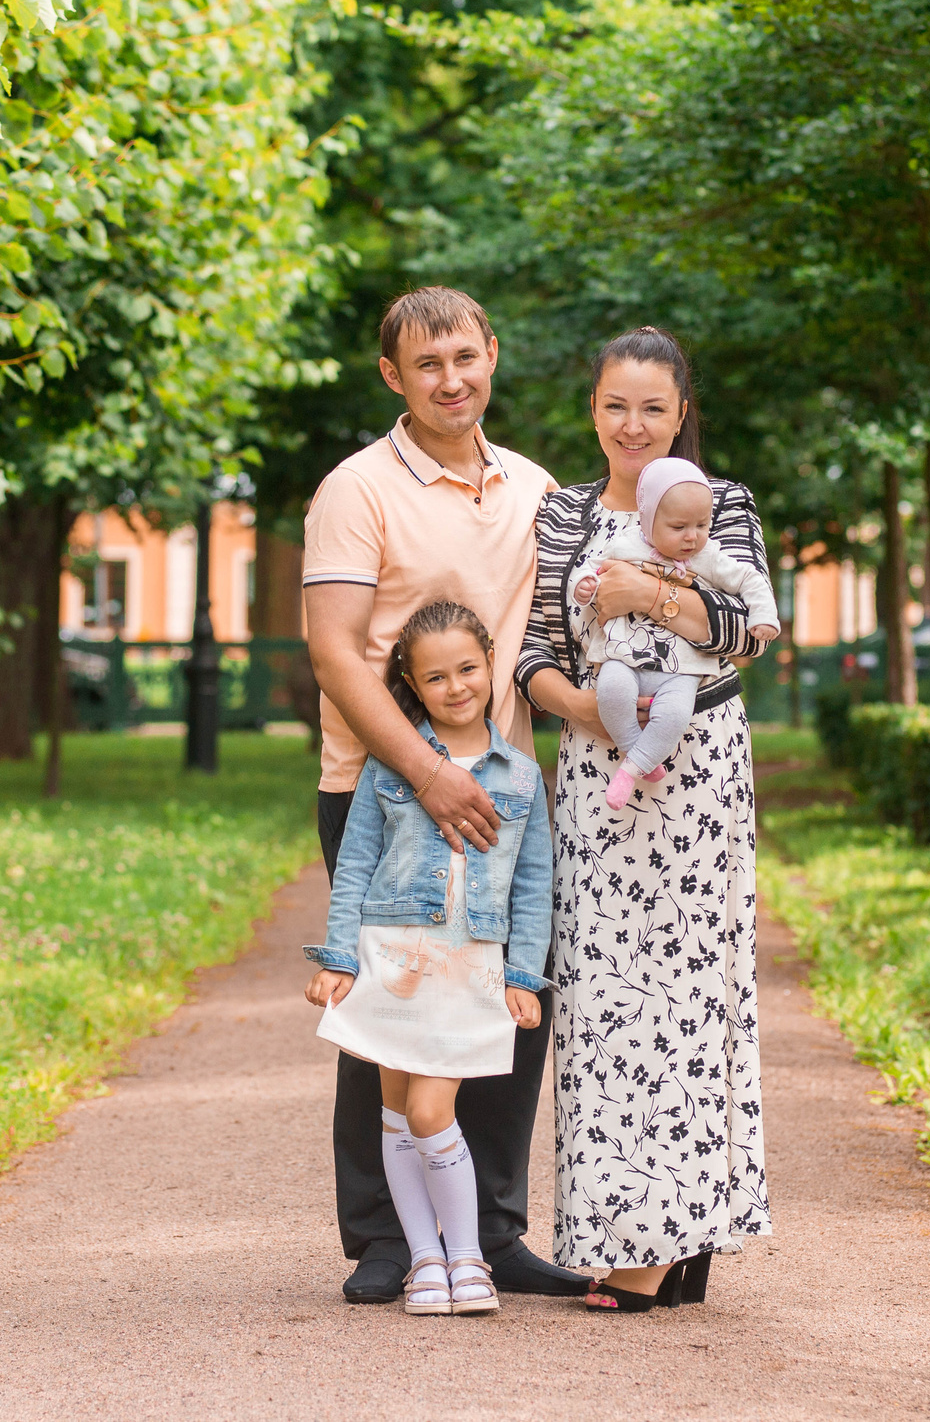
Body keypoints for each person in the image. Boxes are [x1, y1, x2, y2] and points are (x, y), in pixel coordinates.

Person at [300, 286, 583, 1305]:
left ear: (491, 355)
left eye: (464, 357)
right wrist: (426, 771)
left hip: (501, 799)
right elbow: (334, 653)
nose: (450, 379)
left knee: (506, 1002)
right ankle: (385, 1239)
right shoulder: (356, 489)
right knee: (389, 1009)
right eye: (427, 365)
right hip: (386, 794)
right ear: (393, 377)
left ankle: (493, 1230)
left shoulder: (536, 488)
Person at [516, 325, 775, 1313]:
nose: (633, 425)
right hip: (595, 772)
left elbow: (742, 632)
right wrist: (584, 712)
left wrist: (639, 593)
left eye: (653, 408)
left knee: (691, 990)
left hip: (700, 769)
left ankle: (671, 1236)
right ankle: (628, 1229)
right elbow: (535, 647)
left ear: (680, 413)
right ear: (594, 409)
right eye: (616, 405)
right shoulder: (562, 513)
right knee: (603, 997)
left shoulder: (723, 502)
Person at [304, 602, 555, 1316]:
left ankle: (469, 1255)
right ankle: (426, 1262)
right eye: (436, 676)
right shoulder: (391, 766)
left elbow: (535, 885)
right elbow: (355, 866)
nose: (455, 686)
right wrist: (340, 959)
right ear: (412, 683)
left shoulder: (520, 776)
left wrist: (521, 974)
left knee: (427, 1108)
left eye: (468, 668)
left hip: (466, 968)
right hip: (391, 960)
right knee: (395, 1115)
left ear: (490, 664)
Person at [569, 456, 779, 810]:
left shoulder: (707, 556)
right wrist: (586, 585)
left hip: (681, 667)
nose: (692, 536)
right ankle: (636, 748)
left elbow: (748, 578)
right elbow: (591, 568)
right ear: (648, 522)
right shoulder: (627, 544)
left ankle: (632, 768)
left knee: (676, 713)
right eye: (679, 526)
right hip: (625, 654)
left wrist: (764, 614)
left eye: (702, 524)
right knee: (612, 691)